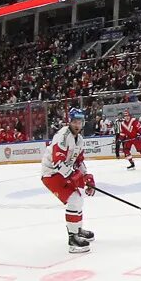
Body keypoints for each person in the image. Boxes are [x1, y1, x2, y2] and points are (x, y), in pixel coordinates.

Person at [40, 108, 96, 253]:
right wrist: (76, 177)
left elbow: (79, 162)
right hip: (51, 174)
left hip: (62, 173)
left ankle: (77, 229)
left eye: (80, 122)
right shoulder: (63, 137)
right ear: (69, 122)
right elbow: (58, 163)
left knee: (79, 199)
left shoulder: (80, 140)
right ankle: (72, 239)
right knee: (74, 200)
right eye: (74, 121)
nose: (77, 124)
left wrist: (86, 176)